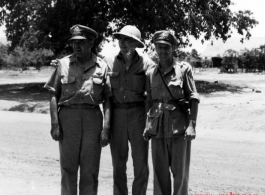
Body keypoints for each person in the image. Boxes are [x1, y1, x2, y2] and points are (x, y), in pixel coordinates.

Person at [44, 24, 112, 195]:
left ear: (91, 43)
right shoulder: (63, 64)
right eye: (74, 42)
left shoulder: (102, 66)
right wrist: (55, 124)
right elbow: (53, 94)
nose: (76, 46)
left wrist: (106, 128)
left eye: (81, 42)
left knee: (90, 169)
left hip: (92, 119)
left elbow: (108, 99)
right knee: (68, 168)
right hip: (68, 119)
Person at [143, 30, 200, 195]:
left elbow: (193, 98)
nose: (162, 51)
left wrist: (192, 125)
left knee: (179, 173)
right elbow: (149, 101)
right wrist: (147, 125)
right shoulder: (150, 73)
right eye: (159, 47)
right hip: (157, 128)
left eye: (166, 47)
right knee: (160, 174)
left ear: (172, 48)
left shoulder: (183, 69)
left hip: (178, 128)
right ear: (155, 48)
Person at [103, 25, 155, 195]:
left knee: (140, 164)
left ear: (136, 43)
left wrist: (149, 122)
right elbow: (106, 96)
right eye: (120, 39)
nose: (123, 43)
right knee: (118, 163)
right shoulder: (108, 62)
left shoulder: (147, 63)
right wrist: (107, 125)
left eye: (128, 40)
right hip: (117, 114)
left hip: (138, 115)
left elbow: (152, 94)